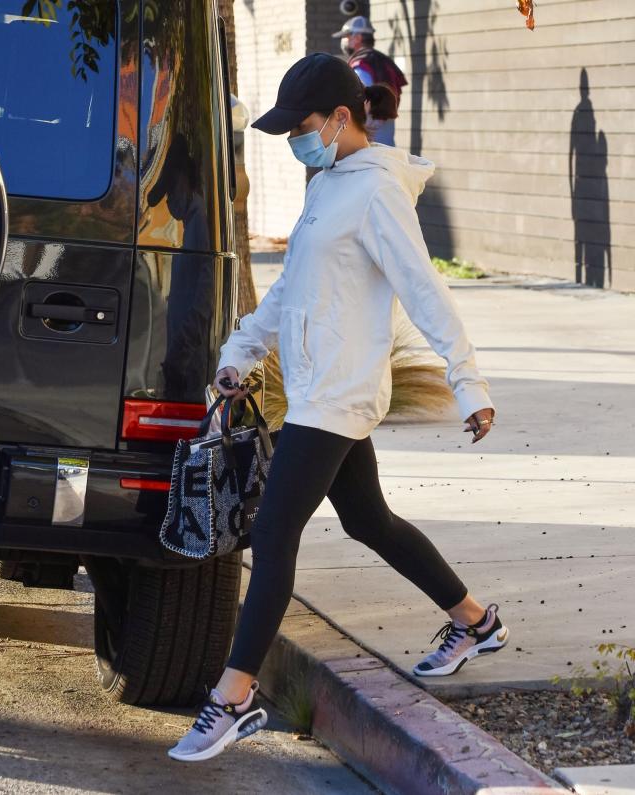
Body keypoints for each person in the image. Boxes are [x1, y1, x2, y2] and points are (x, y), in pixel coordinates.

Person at [168, 53, 509, 764]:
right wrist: (241, 352)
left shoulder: (377, 193)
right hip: (323, 386)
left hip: (338, 393)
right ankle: (473, 620)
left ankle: (232, 696)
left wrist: (467, 381)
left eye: (304, 125)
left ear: (342, 119)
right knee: (367, 518)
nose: (296, 138)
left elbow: (424, 290)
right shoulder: (329, 182)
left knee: (273, 529)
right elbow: (295, 287)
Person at [332, 15, 407, 146]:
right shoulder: (384, 61)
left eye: (346, 36)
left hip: (369, 147)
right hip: (386, 144)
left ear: (358, 38)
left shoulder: (361, 66)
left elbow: (358, 104)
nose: (343, 41)